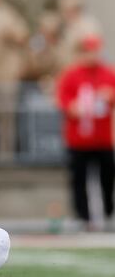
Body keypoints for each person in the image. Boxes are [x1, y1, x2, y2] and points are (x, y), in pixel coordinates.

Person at [56, 35, 115, 230]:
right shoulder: (72, 75)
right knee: (78, 180)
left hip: (102, 139)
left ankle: (107, 213)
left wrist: (110, 96)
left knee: (107, 178)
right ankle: (83, 216)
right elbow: (62, 99)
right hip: (78, 140)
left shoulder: (108, 74)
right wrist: (72, 107)